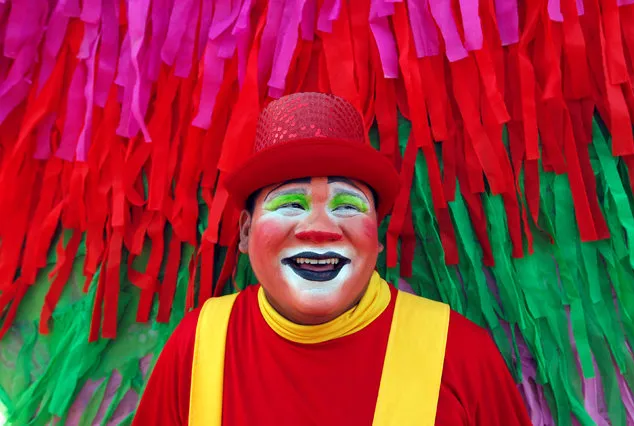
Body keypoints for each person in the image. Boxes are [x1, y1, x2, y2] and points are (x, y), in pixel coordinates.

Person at [131, 92, 532, 425]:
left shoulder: (460, 353)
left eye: (346, 206)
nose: (319, 227)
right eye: (289, 203)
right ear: (245, 232)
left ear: (376, 238)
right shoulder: (198, 342)